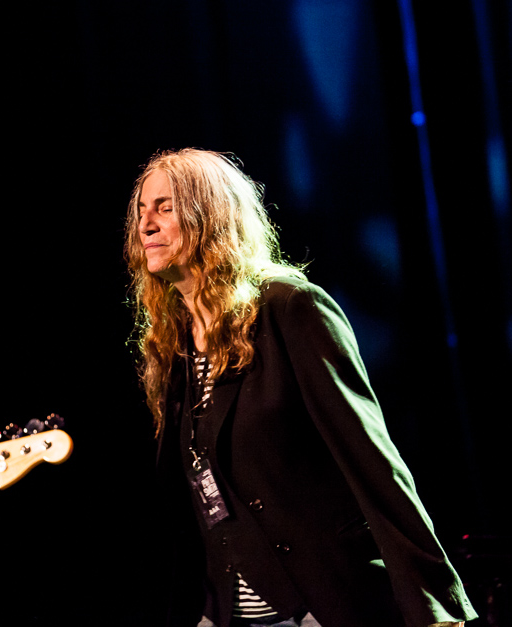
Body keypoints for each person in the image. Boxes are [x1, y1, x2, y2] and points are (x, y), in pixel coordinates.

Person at [125, 149, 477, 627]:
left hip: (320, 602)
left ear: (210, 215)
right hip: (225, 610)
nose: (146, 224)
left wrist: (437, 608)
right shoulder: (174, 344)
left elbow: (374, 463)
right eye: (142, 211)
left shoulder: (290, 309)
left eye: (165, 207)